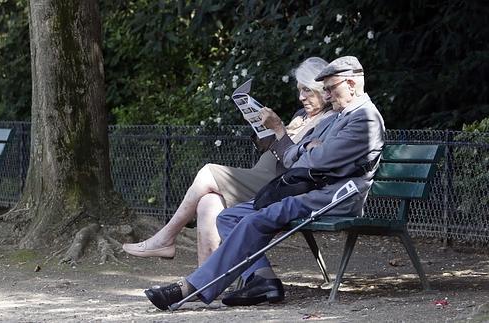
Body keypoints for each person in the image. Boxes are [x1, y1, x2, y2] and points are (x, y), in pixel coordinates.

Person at [143, 56, 386, 310]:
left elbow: (314, 162)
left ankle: (193, 287)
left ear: (350, 83)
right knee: (229, 217)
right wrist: (307, 146)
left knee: (255, 219)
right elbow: (300, 157)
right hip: (311, 190)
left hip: (333, 198)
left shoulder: (364, 118)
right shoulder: (341, 115)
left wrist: (307, 150)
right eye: (323, 89)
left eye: (330, 88)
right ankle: (263, 279)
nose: (326, 94)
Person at [122, 57, 336, 266]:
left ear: (321, 89)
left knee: (208, 172)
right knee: (208, 203)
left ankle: (166, 237)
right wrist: (258, 124)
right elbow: (274, 147)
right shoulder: (302, 115)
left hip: (279, 184)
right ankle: (207, 282)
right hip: (260, 177)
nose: (301, 97)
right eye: (299, 90)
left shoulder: (330, 120)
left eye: (306, 90)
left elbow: (298, 162)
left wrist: (279, 128)